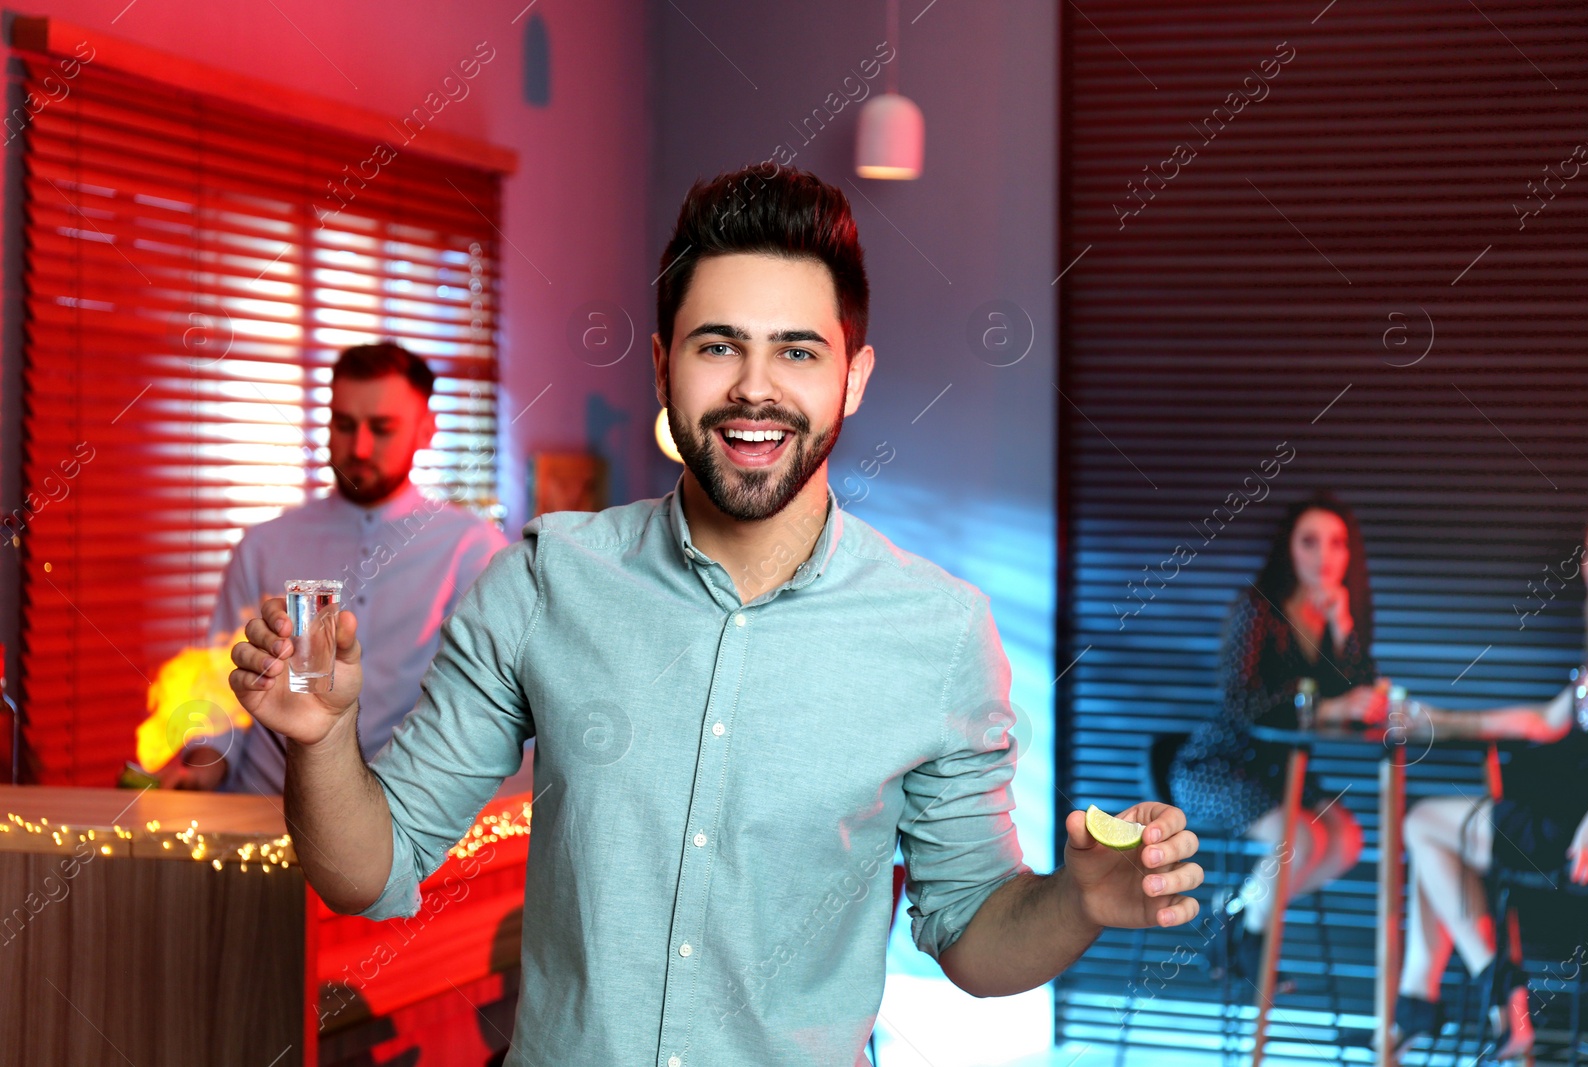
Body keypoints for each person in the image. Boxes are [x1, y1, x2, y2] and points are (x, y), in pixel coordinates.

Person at [228, 166, 1205, 1066]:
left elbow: (973, 932)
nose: (753, 387)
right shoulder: (544, 580)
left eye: (796, 349)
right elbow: (373, 866)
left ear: (853, 376)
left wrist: (1077, 899)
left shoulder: (940, 632)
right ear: (661, 365)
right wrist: (320, 742)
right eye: (717, 345)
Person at [163, 341, 507, 793]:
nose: (359, 447)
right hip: (262, 812)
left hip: (403, 827)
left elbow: (488, 710)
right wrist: (203, 762)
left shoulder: (472, 550)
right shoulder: (265, 545)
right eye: (344, 425)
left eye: (381, 428)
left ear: (426, 431)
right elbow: (216, 678)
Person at [1392, 511, 1588, 1059]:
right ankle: (1439, 999)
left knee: (1421, 827)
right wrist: (1437, 721)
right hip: (1564, 809)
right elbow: (1544, 721)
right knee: (1430, 842)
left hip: (1579, 831)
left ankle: (1487, 994)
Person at [1170, 491, 1385, 977]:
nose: (1323, 556)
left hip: (1280, 769)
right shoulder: (1257, 607)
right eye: (1310, 542)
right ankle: (1254, 950)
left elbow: (1361, 696)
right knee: (1303, 842)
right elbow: (1239, 701)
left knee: (1347, 840)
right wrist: (1326, 705)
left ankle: (1237, 910)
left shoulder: (1340, 614)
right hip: (1218, 765)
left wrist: (1343, 625)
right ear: (1289, 548)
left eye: (1336, 544)